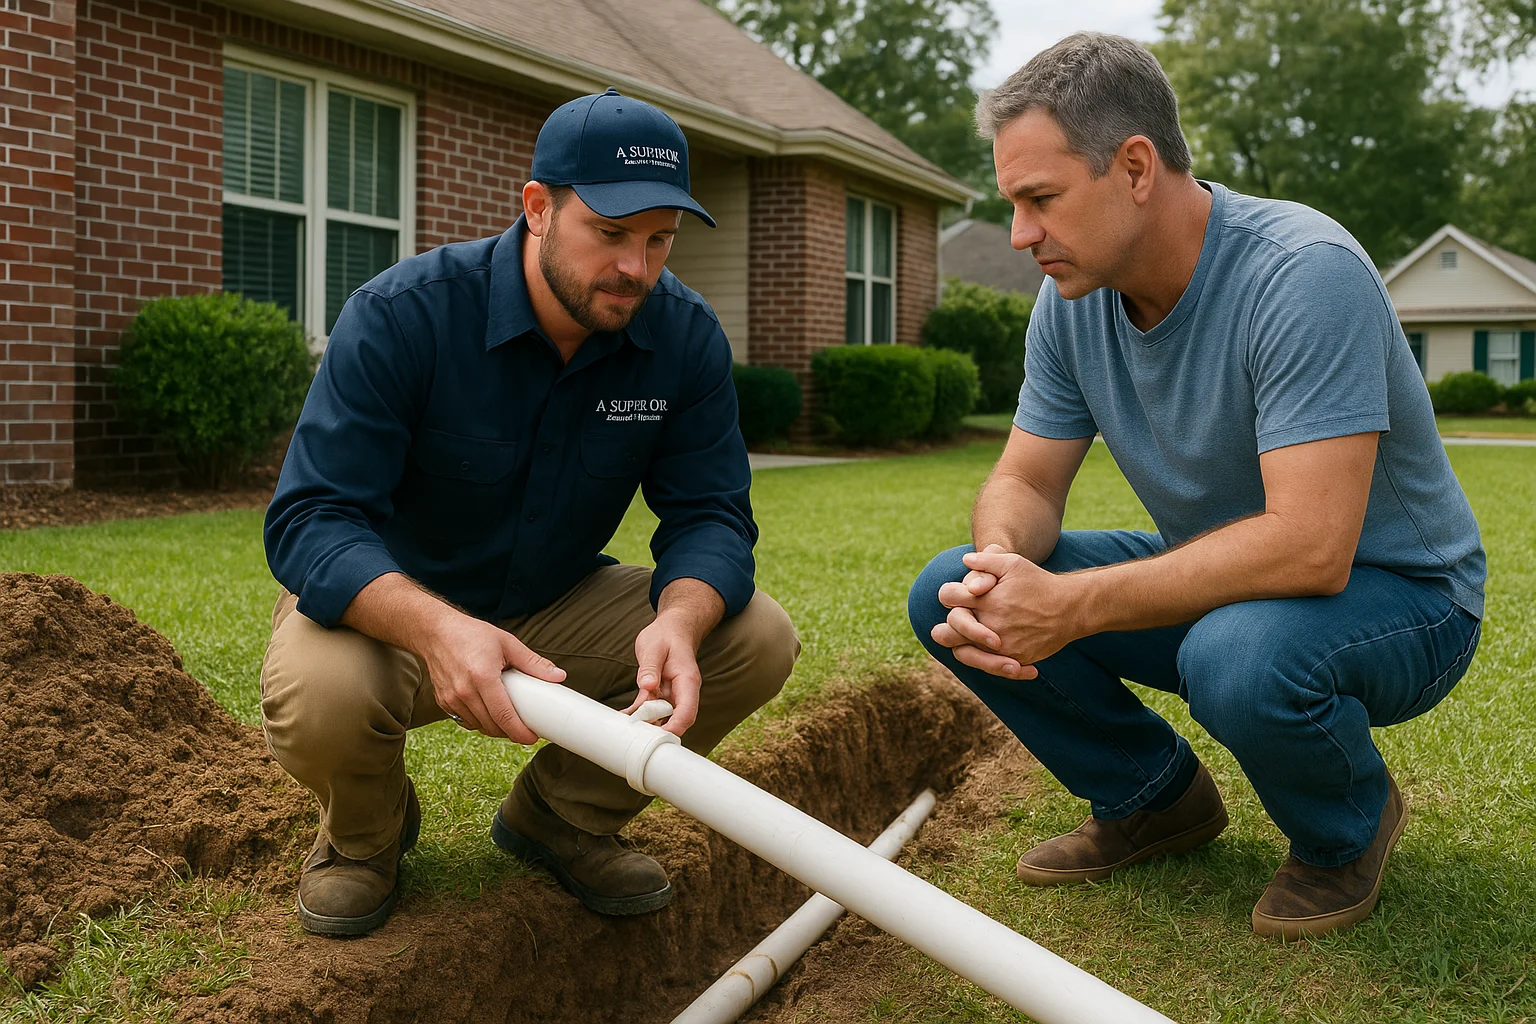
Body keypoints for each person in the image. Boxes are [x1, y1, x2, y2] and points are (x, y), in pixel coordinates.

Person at [908, 34, 1484, 940]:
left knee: (1236, 655)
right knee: (947, 588)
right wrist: (1002, 565)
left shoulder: (1302, 275)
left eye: (1039, 200)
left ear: (1135, 167)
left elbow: (1310, 545)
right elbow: (1024, 474)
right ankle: (1152, 800)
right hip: (1229, 579)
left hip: (1406, 595)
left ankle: (1347, 830)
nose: (1020, 235)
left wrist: (1073, 605)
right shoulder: (1070, 306)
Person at [261, 88, 799, 937]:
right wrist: (440, 630)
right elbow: (311, 519)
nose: (638, 267)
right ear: (538, 208)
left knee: (754, 634)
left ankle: (561, 816)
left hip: (552, 604)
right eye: (612, 233)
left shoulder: (684, 338)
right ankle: (366, 838)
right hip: (392, 614)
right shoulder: (403, 316)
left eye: (661, 239)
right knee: (324, 692)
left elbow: (711, 514)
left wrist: (683, 615)